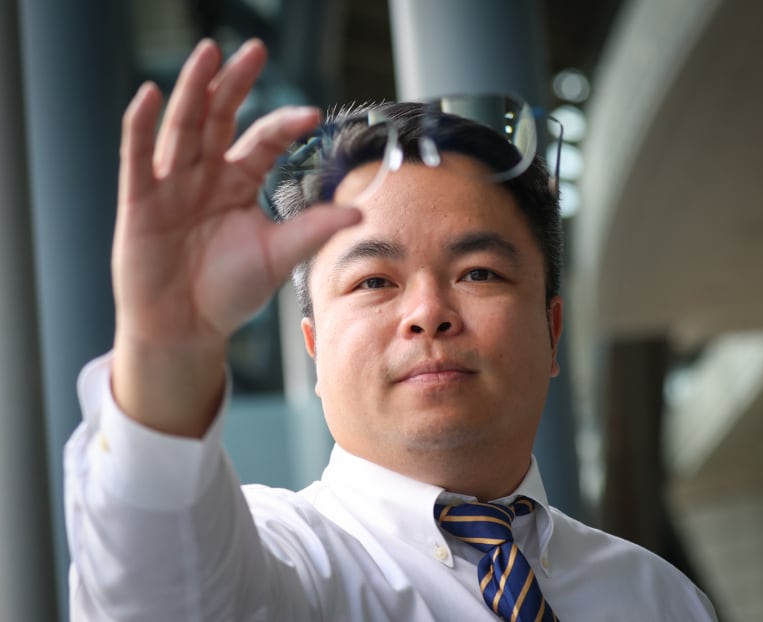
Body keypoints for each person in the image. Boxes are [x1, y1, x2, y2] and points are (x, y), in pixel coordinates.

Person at [64, 39, 717, 621]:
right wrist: (167, 347)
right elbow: (165, 596)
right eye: (374, 281)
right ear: (313, 347)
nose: (427, 311)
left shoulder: (660, 598)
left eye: (479, 273)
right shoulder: (282, 565)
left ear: (551, 329)